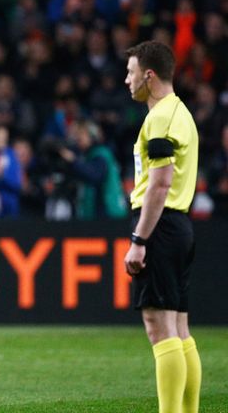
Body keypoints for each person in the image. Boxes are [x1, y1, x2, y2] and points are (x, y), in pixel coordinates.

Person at [123, 41, 201, 413]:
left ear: (148, 75)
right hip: (178, 225)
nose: (127, 80)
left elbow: (160, 183)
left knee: (159, 327)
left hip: (162, 226)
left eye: (131, 72)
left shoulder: (161, 117)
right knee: (179, 328)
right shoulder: (180, 112)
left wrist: (140, 238)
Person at [57, 119, 128, 220]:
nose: (77, 139)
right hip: (98, 213)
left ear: (92, 136)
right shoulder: (87, 156)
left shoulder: (101, 154)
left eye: (80, 134)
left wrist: (73, 161)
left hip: (108, 214)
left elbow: (94, 175)